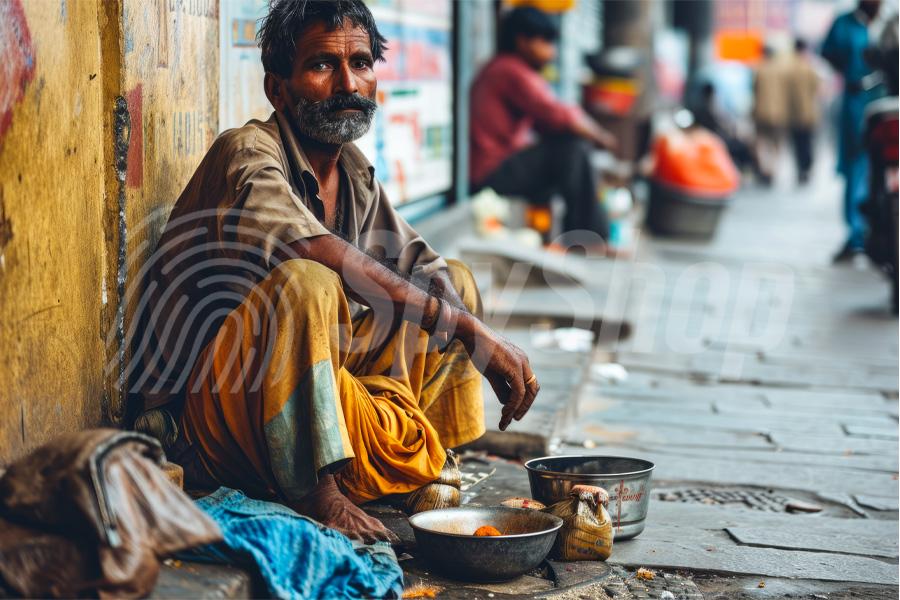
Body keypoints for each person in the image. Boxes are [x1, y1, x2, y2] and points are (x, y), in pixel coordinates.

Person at [128, 0, 540, 544]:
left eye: (361, 63)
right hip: (211, 413)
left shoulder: (351, 170)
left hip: (290, 384)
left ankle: (433, 466)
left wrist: (474, 328)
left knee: (454, 283)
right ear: (279, 89)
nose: (348, 83)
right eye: (322, 65)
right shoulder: (247, 153)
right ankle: (317, 490)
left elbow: (421, 266)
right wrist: (466, 328)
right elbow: (319, 253)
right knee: (309, 282)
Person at [468, 7, 617, 250]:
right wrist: (602, 138)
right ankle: (588, 240)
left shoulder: (502, 68)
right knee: (573, 149)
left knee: (565, 148)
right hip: (489, 172)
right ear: (522, 41)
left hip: (499, 166)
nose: (552, 52)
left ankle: (564, 236)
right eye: (545, 42)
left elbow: (549, 120)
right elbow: (558, 113)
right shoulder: (510, 69)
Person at [821, 0, 882, 263]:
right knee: (856, 166)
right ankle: (856, 233)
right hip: (856, 103)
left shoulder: (890, 21)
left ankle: (879, 229)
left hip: (888, 101)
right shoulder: (844, 24)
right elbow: (830, 53)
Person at [752, 46, 789, 186]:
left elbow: (754, 90)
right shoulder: (781, 71)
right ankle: (772, 170)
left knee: (761, 142)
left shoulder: (758, 70)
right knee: (776, 144)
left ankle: (765, 169)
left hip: (760, 112)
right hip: (778, 114)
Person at [785, 39, 821, 184]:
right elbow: (817, 88)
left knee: (797, 143)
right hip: (808, 114)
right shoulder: (809, 68)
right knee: (807, 143)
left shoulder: (789, 69)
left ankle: (801, 169)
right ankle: (806, 168)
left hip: (793, 114)